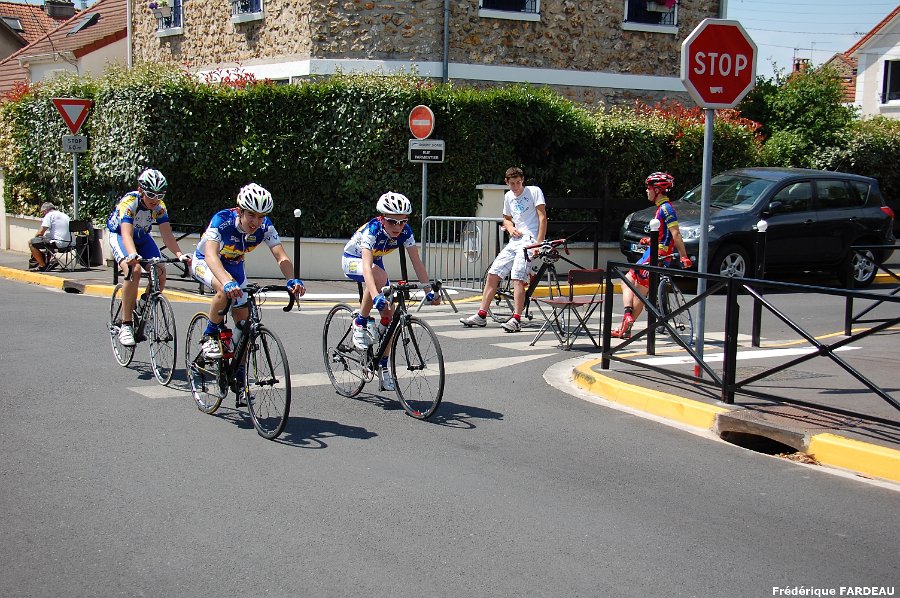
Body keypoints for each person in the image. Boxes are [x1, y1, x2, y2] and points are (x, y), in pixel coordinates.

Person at [191, 183, 305, 404]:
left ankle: (239, 377)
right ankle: (209, 335)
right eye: (251, 215)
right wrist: (226, 282)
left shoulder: (265, 227)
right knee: (224, 291)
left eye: (261, 216)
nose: (256, 222)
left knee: (244, 326)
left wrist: (292, 279)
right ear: (240, 211)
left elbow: (280, 256)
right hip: (206, 261)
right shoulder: (222, 220)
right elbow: (211, 256)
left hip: (235, 264)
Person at [342, 191, 440, 391]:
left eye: (403, 221)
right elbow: (367, 268)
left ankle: (383, 366)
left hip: (376, 266)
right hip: (353, 261)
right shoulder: (372, 230)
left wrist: (428, 290)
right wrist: (376, 296)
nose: (398, 226)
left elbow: (417, 262)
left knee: (391, 316)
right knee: (377, 275)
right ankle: (360, 321)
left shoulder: (406, 232)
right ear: (382, 218)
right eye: (392, 221)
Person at [107, 168, 192, 347]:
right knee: (134, 270)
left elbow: (167, 235)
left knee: (160, 271)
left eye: (160, 195)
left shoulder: (160, 207)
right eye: (151, 194)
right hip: (121, 236)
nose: (155, 199)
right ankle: (126, 324)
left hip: (142, 237)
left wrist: (179, 254)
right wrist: (132, 255)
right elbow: (126, 234)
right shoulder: (129, 202)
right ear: (140, 191)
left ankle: (145, 303)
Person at [460, 166, 547, 333]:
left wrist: (539, 243)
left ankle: (516, 319)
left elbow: (542, 217)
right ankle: (481, 315)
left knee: (517, 276)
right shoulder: (508, 196)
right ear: (507, 182)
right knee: (493, 273)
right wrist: (510, 227)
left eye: (518, 182)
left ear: (523, 180)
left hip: (529, 239)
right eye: (512, 183)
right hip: (515, 240)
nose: (516, 186)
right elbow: (506, 219)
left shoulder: (534, 191)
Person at [612, 171, 692, 339]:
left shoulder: (666, 208)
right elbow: (664, 235)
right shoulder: (661, 208)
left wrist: (683, 256)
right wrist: (650, 240)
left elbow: (675, 233)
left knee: (637, 289)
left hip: (657, 255)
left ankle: (626, 323)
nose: (646, 191)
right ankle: (626, 322)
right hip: (653, 251)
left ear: (657, 190)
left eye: (648, 188)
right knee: (631, 283)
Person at [28, 202, 71, 271]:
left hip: (59, 244)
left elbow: (40, 232)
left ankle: (42, 265)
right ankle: (52, 259)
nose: (43, 214)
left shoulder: (49, 215)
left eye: (43, 213)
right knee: (47, 236)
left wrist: (35, 238)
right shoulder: (65, 215)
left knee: (31, 242)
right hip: (70, 244)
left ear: (45, 211)